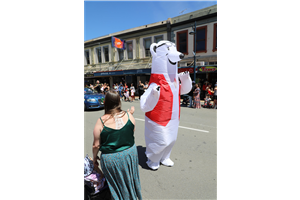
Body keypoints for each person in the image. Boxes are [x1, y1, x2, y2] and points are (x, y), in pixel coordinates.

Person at [92, 91, 142, 200]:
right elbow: (131, 131)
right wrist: (130, 114)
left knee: (116, 185)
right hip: (130, 154)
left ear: (106, 103)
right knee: (130, 180)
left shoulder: (101, 121)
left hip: (111, 159)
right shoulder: (129, 116)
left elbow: (96, 145)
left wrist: (95, 158)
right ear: (119, 102)